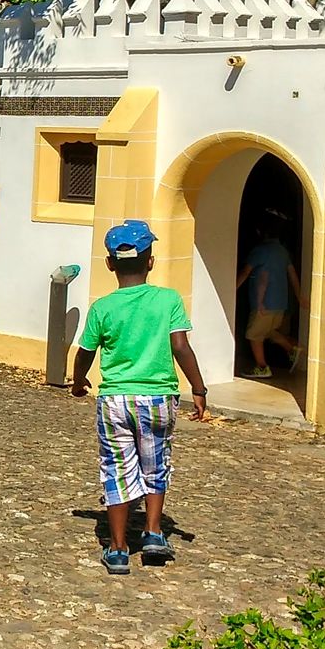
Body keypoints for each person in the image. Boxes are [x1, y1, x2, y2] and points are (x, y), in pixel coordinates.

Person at [70, 220, 210, 576]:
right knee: (155, 463)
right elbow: (181, 346)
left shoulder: (103, 307)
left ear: (110, 264)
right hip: (158, 398)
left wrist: (78, 379)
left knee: (116, 469)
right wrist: (198, 387)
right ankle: (152, 533)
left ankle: (117, 550)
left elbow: (86, 350)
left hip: (115, 400)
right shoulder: (168, 300)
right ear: (151, 261)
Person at [236, 226, 304, 378]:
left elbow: (247, 272)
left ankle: (262, 367)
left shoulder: (260, 251)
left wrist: (230, 290)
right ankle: (291, 348)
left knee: (253, 335)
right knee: (268, 331)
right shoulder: (282, 251)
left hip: (264, 303)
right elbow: (292, 274)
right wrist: (299, 296)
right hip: (280, 302)